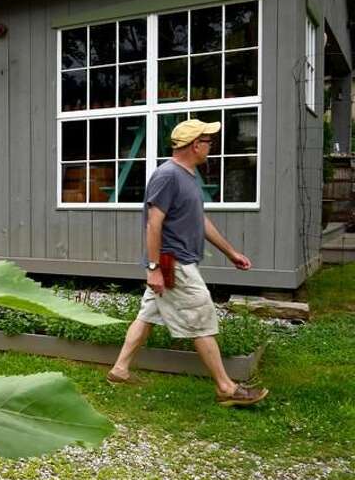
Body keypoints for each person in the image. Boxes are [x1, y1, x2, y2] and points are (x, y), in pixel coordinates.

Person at [106, 119, 268, 407]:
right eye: (208, 142)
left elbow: (199, 220)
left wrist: (231, 252)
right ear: (195, 145)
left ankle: (119, 370)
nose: (211, 147)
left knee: (147, 317)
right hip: (173, 264)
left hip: (174, 262)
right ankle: (226, 388)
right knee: (201, 319)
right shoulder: (167, 176)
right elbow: (153, 224)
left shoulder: (188, 176)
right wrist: (154, 269)